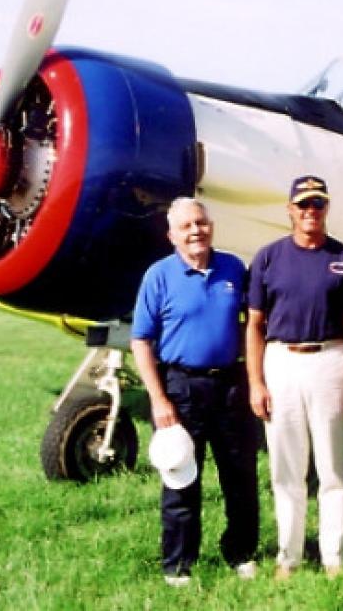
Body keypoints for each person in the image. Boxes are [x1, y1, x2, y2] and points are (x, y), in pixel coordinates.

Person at [246, 175, 343, 579]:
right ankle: (290, 557)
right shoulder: (268, 259)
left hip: (331, 360)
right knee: (287, 470)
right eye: (303, 204)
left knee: (332, 469)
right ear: (289, 209)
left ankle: (333, 556)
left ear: (326, 208)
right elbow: (253, 325)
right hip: (282, 360)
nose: (310, 212)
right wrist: (255, 382)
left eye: (317, 204)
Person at [131, 197, 260, 586]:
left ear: (211, 226)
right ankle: (178, 563)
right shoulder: (158, 275)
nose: (195, 232)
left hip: (230, 386)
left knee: (240, 475)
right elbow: (140, 340)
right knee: (181, 475)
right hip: (181, 387)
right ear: (171, 235)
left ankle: (241, 552)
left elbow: (250, 326)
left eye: (200, 223)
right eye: (186, 226)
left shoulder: (233, 269)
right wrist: (158, 399)